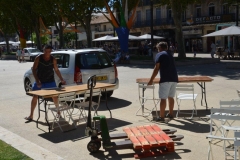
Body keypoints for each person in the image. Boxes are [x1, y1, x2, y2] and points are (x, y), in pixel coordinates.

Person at [25, 45, 66, 121]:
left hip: (50, 80)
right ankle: (31, 115)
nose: (47, 53)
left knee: (55, 97)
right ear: (43, 51)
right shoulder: (38, 58)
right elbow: (34, 69)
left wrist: (61, 79)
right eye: (46, 51)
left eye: (49, 51)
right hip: (40, 81)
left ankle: (58, 112)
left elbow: (56, 70)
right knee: (35, 96)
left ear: (51, 51)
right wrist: (37, 80)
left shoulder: (53, 59)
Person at [147, 42, 178, 122]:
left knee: (163, 98)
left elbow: (156, 68)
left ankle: (161, 117)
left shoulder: (160, 54)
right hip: (174, 78)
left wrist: (151, 80)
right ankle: (171, 114)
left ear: (160, 48)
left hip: (165, 79)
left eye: (158, 48)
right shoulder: (170, 54)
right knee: (171, 97)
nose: (157, 50)